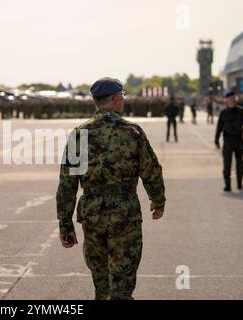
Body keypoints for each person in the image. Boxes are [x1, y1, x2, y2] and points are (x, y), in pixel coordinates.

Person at [56, 77, 166, 300]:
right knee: (122, 284)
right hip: (124, 215)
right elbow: (151, 171)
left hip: (92, 216)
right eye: (122, 97)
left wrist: (65, 224)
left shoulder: (79, 134)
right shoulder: (132, 131)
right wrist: (158, 200)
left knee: (102, 284)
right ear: (115, 99)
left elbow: (67, 183)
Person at [215, 92, 243, 192]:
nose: (232, 99)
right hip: (227, 141)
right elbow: (219, 127)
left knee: (240, 164)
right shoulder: (223, 113)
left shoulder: (241, 111)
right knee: (227, 164)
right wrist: (216, 140)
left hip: (239, 140)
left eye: (233, 98)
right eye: (230, 98)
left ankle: (239, 184)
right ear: (226, 100)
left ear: (235, 99)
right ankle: (227, 185)